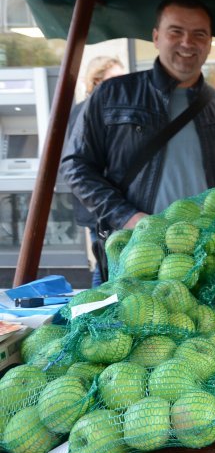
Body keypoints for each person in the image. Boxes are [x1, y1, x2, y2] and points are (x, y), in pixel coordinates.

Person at [62, 0, 215, 239]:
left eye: (199, 34)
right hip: (134, 251)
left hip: (211, 251)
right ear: (156, 37)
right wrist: (126, 217)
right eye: (176, 32)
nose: (187, 42)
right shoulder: (112, 95)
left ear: (209, 43)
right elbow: (76, 166)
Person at [65, 55, 125, 286]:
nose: (123, 85)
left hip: (112, 208)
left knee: (112, 266)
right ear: (97, 81)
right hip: (101, 210)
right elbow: (78, 167)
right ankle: (94, 318)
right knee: (105, 267)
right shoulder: (86, 112)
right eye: (115, 80)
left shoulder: (113, 111)